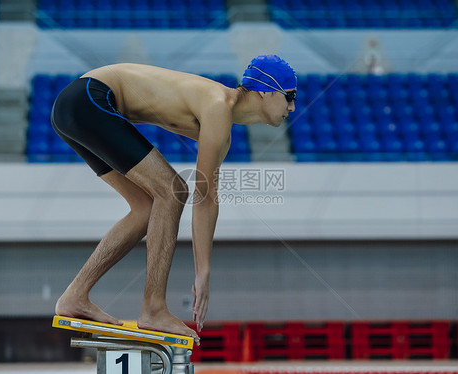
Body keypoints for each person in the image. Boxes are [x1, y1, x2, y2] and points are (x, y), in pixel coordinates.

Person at [51, 55, 297, 341]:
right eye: (289, 96)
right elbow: (202, 199)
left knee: (146, 207)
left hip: (76, 107)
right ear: (266, 91)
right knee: (172, 191)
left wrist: (203, 270)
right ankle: (153, 308)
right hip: (90, 99)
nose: (292, 107)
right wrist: (202, 273)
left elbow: (207, 198)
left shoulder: (221, 124)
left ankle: (75, 296)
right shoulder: (217, 105)